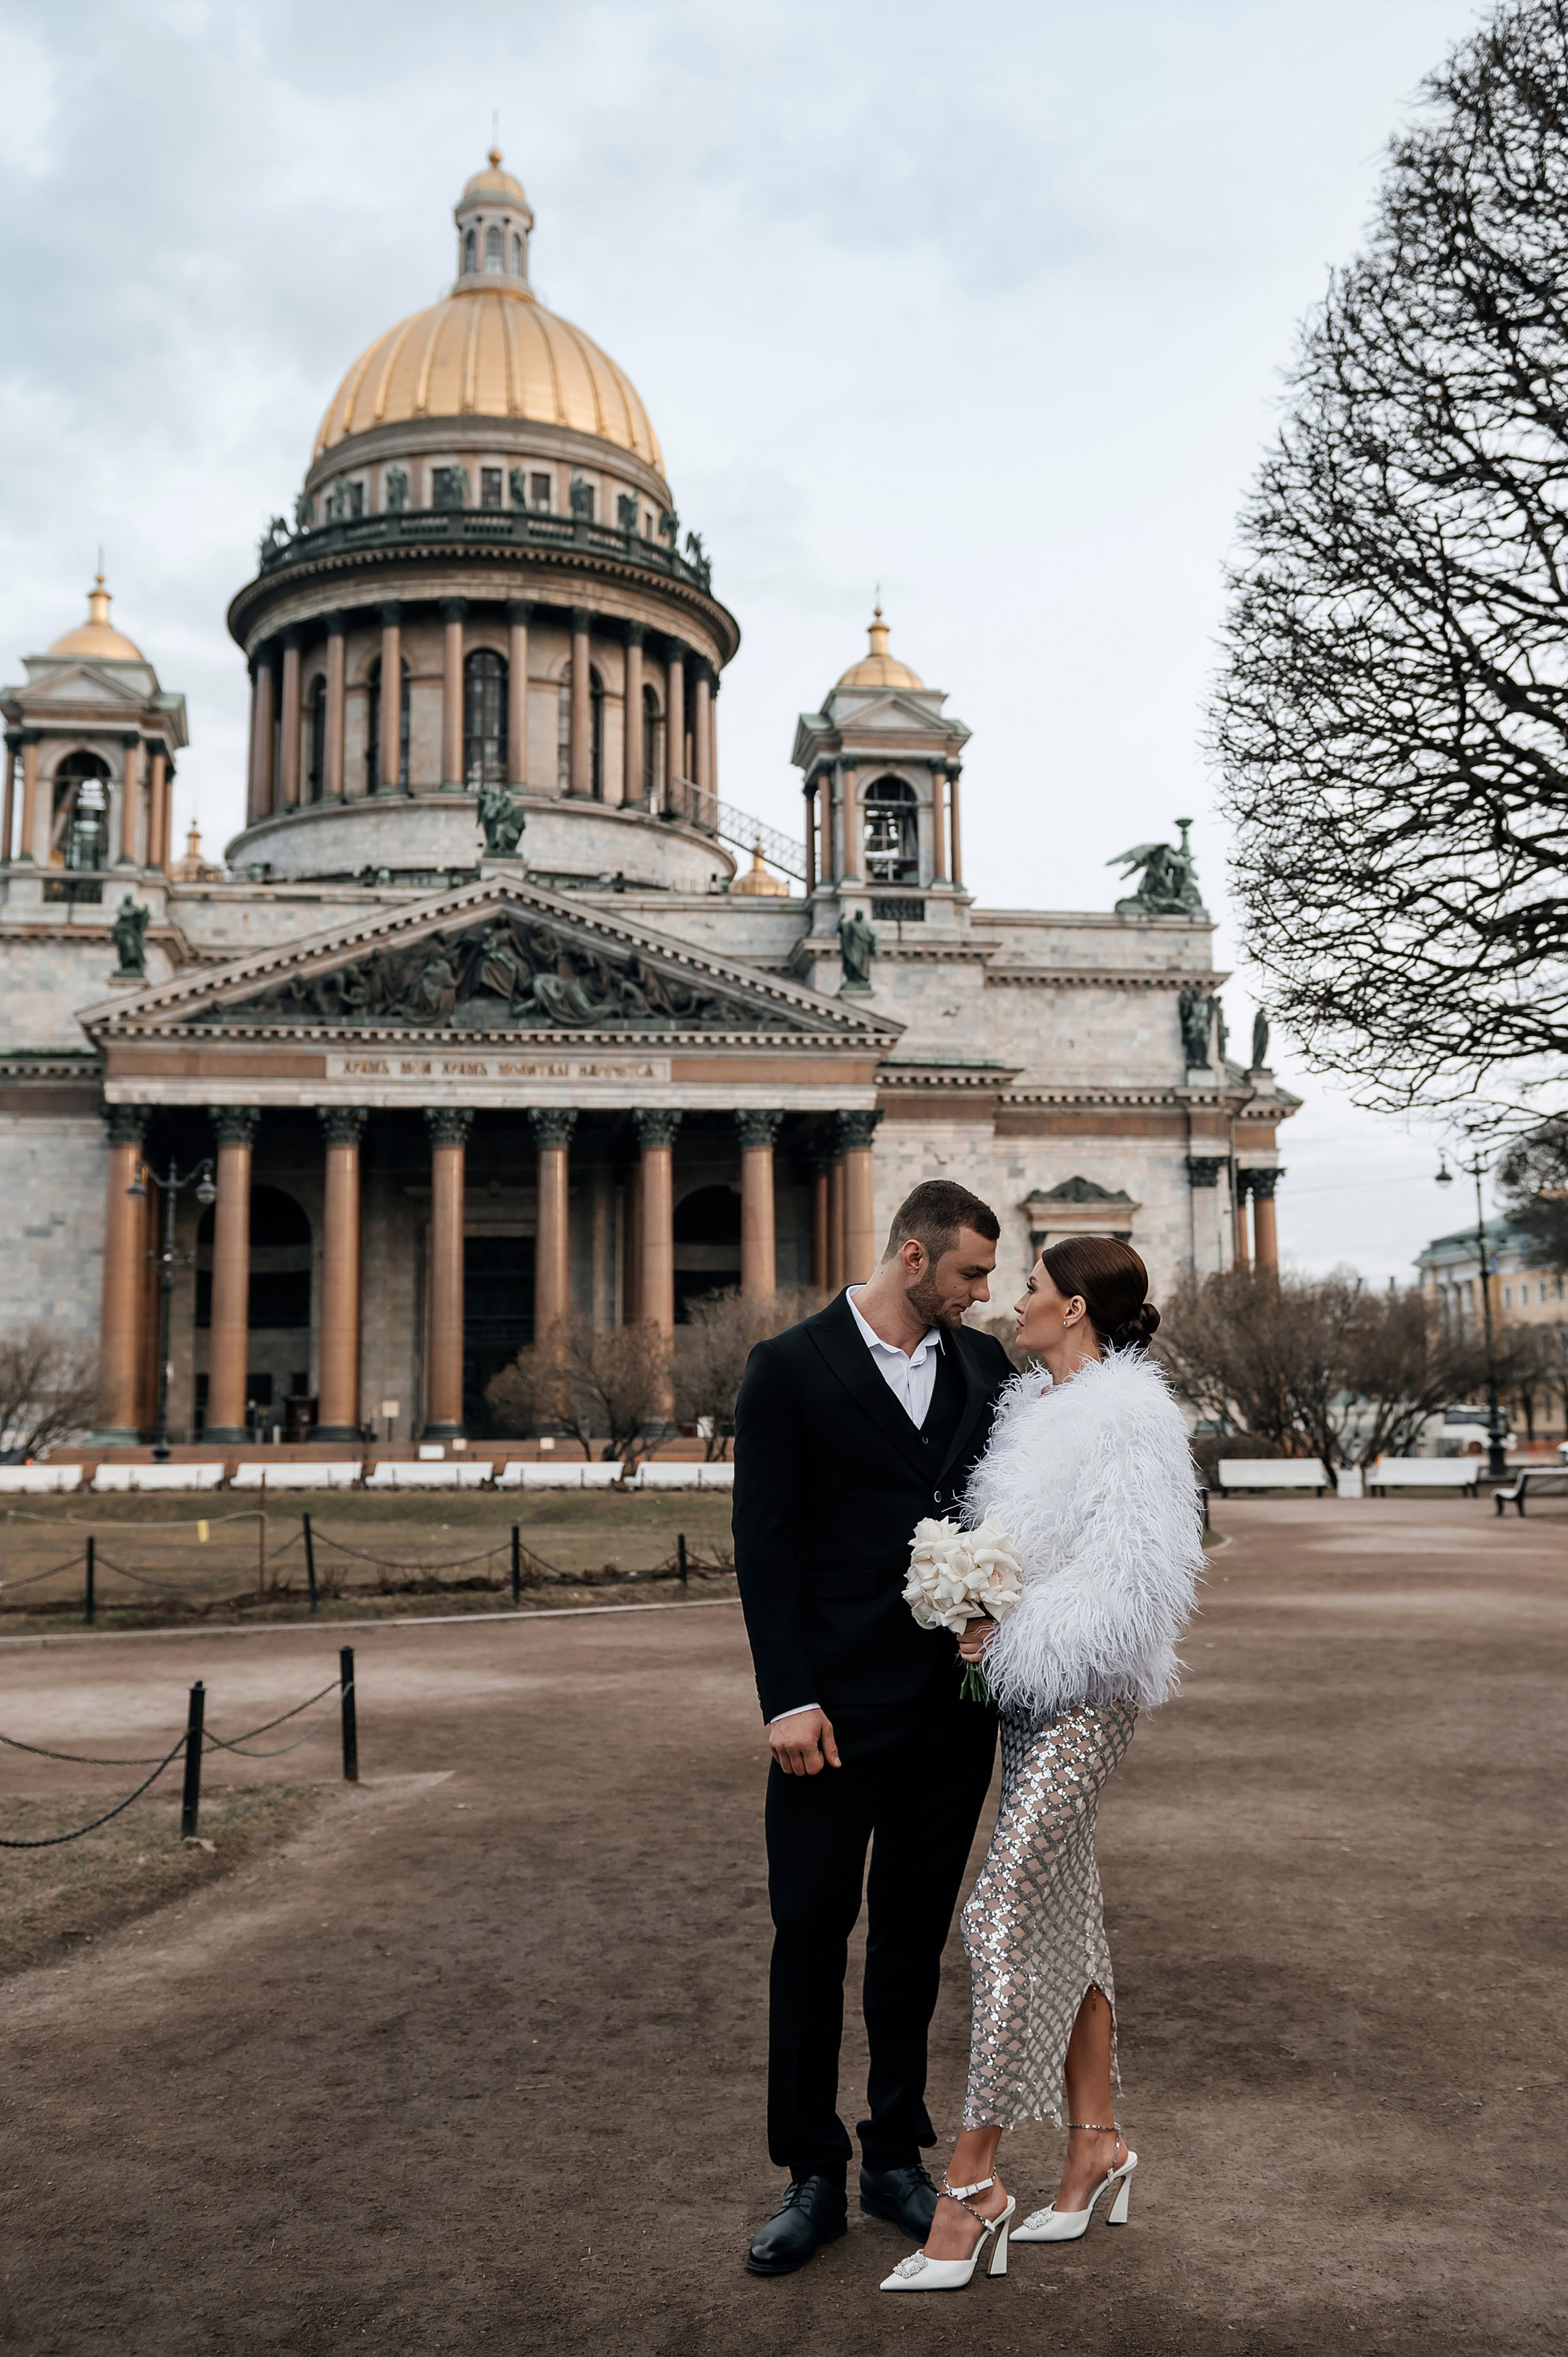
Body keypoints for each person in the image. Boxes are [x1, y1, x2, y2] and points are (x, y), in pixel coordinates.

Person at [880, 1235, 1202, 2296]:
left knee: (999, 1915)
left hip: (1083, 1698)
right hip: (1026, 1698)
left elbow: (1134, 1585)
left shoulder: (1130, 1418)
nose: (1012, 1300)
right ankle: (1096, 2145)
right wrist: (975, 1601)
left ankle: (973, 2183)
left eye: (1028, 1287)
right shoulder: (1037, 1411)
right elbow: (1028, 1557)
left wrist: (1007, 1629)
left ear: (1072, 1309)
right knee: (1069, 1912)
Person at [733, 1180, 1017, 2277]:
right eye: (968, 1276)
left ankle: (895, 2152)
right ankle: (810, 2173)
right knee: (809, 1932)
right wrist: (787, 1698)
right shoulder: (789, 1367)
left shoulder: (985, 1369)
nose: (983, 1296)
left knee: (910, 1937)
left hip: (951, 1713)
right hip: (830, 1715)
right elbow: (766, 1549)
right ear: (912, 1258)